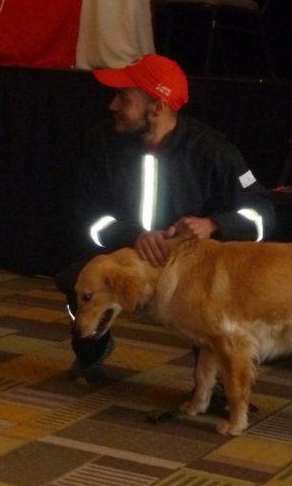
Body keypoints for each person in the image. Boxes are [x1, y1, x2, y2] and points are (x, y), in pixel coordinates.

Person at [56, 53, 276, 383]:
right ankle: (90, 351)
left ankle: (215, 381)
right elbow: (86, 217)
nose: (112, 105)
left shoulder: (213, 149)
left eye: (123, 98)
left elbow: (261, 213)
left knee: (216, 293)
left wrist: (214, 224)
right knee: (78, 278)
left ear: (157, 107)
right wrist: (133, 235)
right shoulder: (101, 142)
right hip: (123, 254)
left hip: (189, 268)